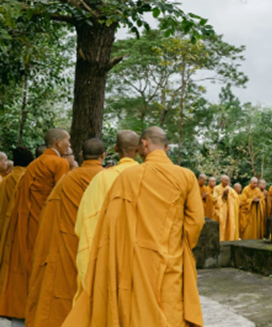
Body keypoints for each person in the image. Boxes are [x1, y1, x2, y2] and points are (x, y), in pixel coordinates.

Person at [62, 127, 204, 327]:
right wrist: (177, 246)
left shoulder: (127, 177)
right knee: (171, 311)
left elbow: (112, 225)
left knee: (137, 313)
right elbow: (196, 222)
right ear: (167, 148)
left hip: (134, 261)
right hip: (171, 262)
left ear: (143, 144)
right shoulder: (186, 176)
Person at [26, 138, 106, 326]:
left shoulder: (67, 179)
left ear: (81, 155)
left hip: (65, 239)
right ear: (103, 155)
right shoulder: (106, 178)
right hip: (92, 243)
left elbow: (48, 211)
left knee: (62, 285)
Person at [0, 128, 70, 317]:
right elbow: (60, 196)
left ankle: (20, 307)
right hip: (46, 222)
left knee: (26, 264)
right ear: (58, 143)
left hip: (27, 222)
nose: (69, 145)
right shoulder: (59, 163)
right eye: (67, 141)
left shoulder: (33, 165)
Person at [73, 130, 140, 301]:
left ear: (116, 149)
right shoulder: (148, 176)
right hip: (140, 256)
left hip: (108, 254)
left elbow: (84, 223)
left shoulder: (101, 178)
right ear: (138, 149)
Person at [214, 175, 239, 242]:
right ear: (221, 180)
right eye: (225, 180)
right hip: (220, 211)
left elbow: (236, 198)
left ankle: (229, 240)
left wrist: (228, 196)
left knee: (230, 226)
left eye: (228, 180)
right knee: (221, 226)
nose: (227, 182)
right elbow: (214, 199)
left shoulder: (230, 189)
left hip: (229, 211)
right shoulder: (216, 188)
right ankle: (220, 240)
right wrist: (222, 196)